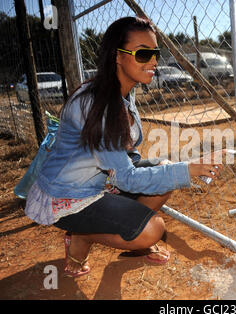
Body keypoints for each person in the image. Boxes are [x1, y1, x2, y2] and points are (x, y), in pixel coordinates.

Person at [24, 17, 223, 277]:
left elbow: (127, 157)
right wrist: (189, 169)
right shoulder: (96, 104)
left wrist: (174, 171)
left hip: (100, 181)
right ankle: (84, 236)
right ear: (118, 56)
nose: (153, 61)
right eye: (143, 54)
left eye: (155, 53)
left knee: (164, 170)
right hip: (68, 195)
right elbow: (127, 178)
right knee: (153, 229)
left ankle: (122, 228)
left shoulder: (123, 93)